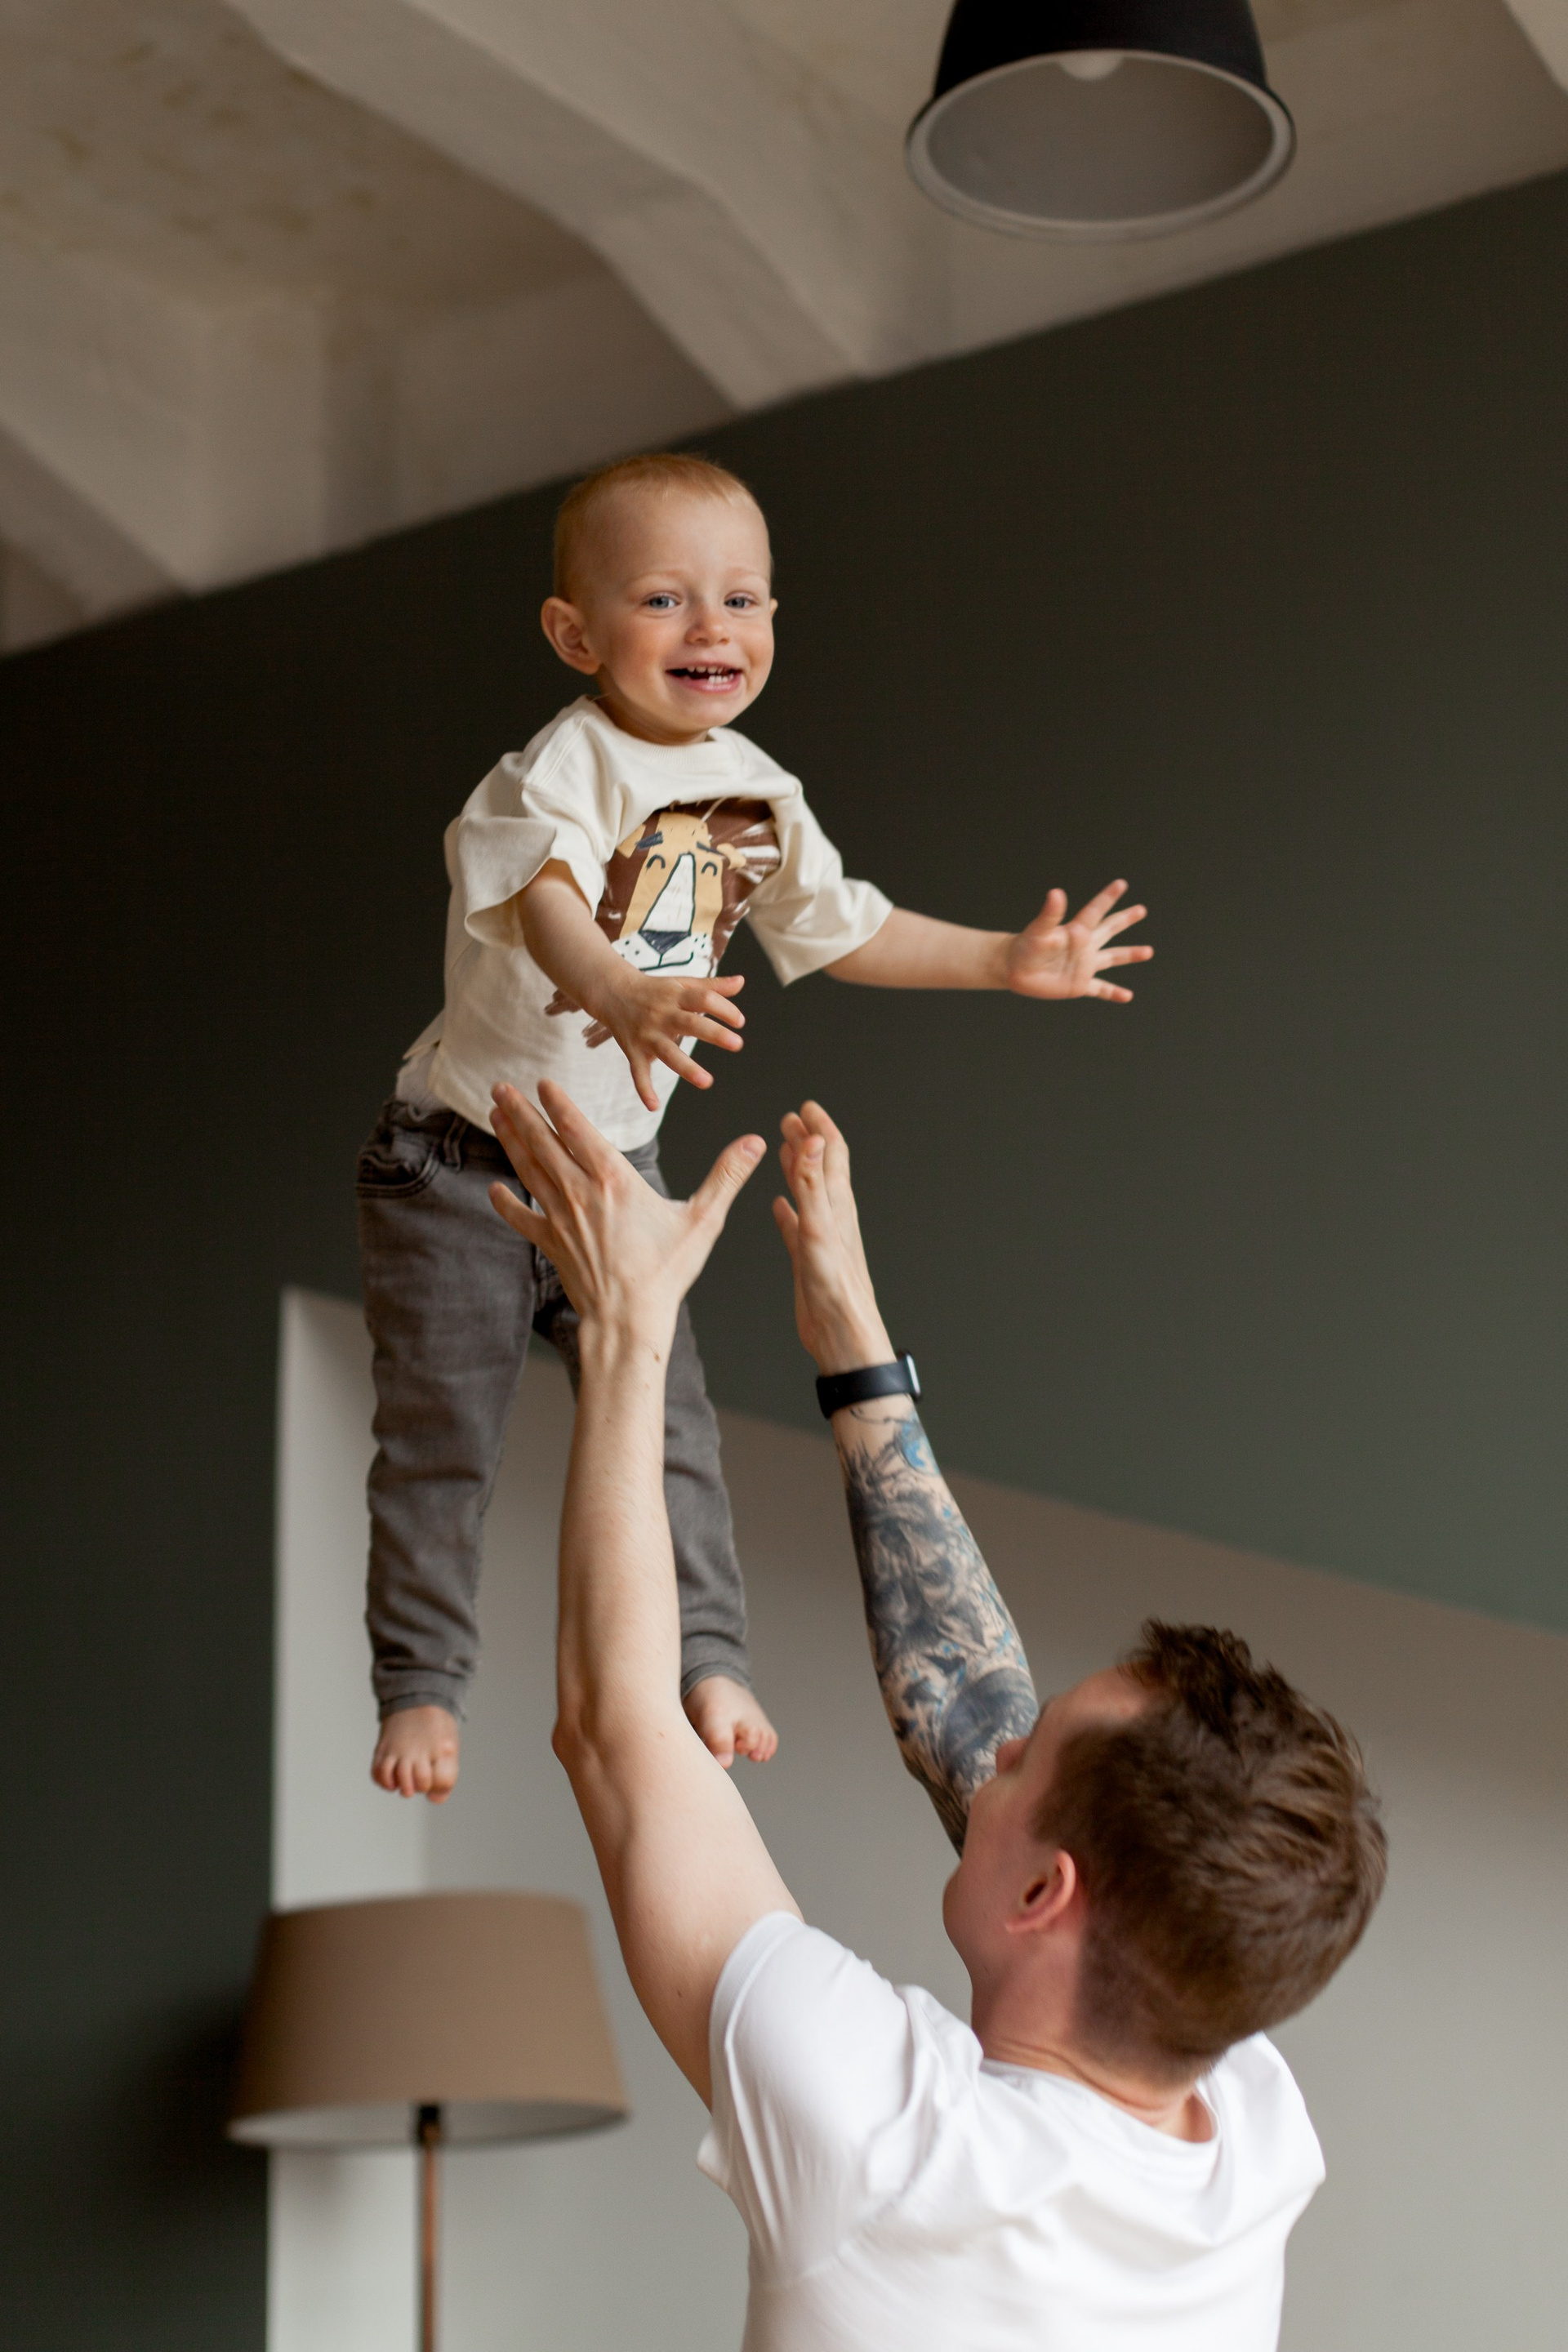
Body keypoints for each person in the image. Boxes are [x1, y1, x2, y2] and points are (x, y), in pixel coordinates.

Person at [485, 1077, 1388, 2352]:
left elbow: (616, 1734)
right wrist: (857, 1356)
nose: (995, 1751)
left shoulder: (888, 2143)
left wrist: (624, 1326)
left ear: (1046, 1895)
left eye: (1026, 1759)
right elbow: (982, 1722)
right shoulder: (1242, 2129)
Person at [359, 449, 1152, 1803]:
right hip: (460, 1173)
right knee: (445, 1441)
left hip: (616, 1175)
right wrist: (619, 988)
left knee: (676, 1432)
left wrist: (1002, 961)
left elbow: (848, 928)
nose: (711, 627)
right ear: (576, 635)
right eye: (663, 599)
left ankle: (710, 1659)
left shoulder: (758, 794)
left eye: (741, 599)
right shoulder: (558, 770)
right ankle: (423, 1683)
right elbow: (546, 902)